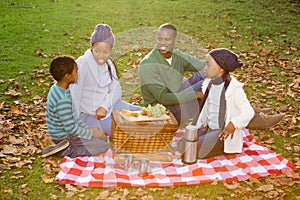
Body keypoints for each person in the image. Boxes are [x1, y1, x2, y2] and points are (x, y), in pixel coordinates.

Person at [138, 23, 283, 128]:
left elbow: (203, 66)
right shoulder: (148, 65)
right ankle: (252, 119)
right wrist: (197, 94)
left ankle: (248, 109)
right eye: (160, 39)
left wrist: (221, 66)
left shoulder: (176, 56)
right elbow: (164, 98)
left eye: (167, 40)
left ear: (175, 40)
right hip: (164, 112)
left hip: (177, 96)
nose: (162, 43)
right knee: (210, 85)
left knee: (210, 73)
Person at [70, 24, 141, 136]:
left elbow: (116, 90)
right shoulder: (81, 65)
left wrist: (104, 106)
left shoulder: (109, 64)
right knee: (122, 131)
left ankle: (160, 132)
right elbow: (75, 96)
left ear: (111, 50)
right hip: (88, 114)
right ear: (92, 47)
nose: (101, 56)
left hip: (107, 106)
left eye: (105, 52)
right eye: (97, 51)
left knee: (143, 114)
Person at [42, 55, 109, 158]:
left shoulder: (58, 88)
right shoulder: (62, 99)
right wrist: (91, 134)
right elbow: (71, 129)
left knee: (101, 139)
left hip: (65, 132)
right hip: (64, 136)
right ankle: (66, 150)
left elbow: (74, 119)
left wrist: (90, 129)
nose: (78, 73)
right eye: (76, 71)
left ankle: (64, 146)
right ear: (67, 76)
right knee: (102, 146)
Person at [193, 48, 255, 158]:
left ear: (220, 69)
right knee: (184, 144)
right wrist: (197, 126)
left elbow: (248, 111)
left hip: (222, 134)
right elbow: (207, 108)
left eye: (208, 65)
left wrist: (234, 123)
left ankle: (220, 147)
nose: (205, 68)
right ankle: (207, 141)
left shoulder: (234, 89)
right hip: (210, 129)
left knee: (194, 150)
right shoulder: (209, 84)